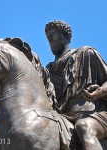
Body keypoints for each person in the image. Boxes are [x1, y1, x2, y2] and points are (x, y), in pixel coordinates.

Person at [45, 20, 107, 150]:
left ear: (64, 36)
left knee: (84, 127)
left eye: (52, 34)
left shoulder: (86, 53)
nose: (49, 38)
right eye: (47, 36)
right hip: (63, 117)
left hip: (93, 113)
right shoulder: (48, 71)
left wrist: (100, 91)